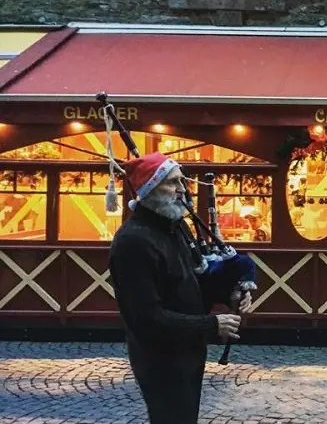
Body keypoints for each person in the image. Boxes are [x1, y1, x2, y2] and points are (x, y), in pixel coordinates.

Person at [108, 152, 253, 424]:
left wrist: (228, 293)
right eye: (172, 182)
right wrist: (212, 325)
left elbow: (192, 284)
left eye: (181, 181)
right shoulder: (133, 242)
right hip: (160, 359)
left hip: (187, 351)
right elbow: (146, 318)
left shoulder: (176, 228)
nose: (181, 189)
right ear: (151, 188)